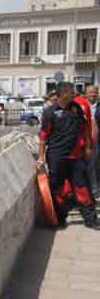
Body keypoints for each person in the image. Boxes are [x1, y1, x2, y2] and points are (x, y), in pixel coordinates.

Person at [37, 82, 97, 229]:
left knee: (82, 188)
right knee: (58, 189)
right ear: (63, 94)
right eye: (71, 92)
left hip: (76, 157)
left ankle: (91, 219)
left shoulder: (77, 109)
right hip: (57, 157)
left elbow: (85, 129)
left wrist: (88, 147)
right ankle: (59, 219)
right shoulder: (49, 112)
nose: (74, 95)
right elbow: (43, 137)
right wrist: (41, 157)